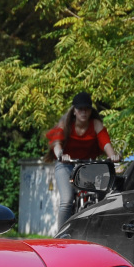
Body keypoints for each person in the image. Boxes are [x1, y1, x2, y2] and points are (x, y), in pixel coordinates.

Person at [46, 92, 121, 225]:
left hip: (88, 166)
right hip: (66, 165)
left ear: (91, 111)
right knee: (67, 200)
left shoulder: (96, 124)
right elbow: (56, 143)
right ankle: (60, 238)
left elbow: (106, 143)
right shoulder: (66, 123)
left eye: (86, 109)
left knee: (102, 196)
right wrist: (60, 155)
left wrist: (113, 156)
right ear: (74, 111)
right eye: (80, 109)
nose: (83, 112)